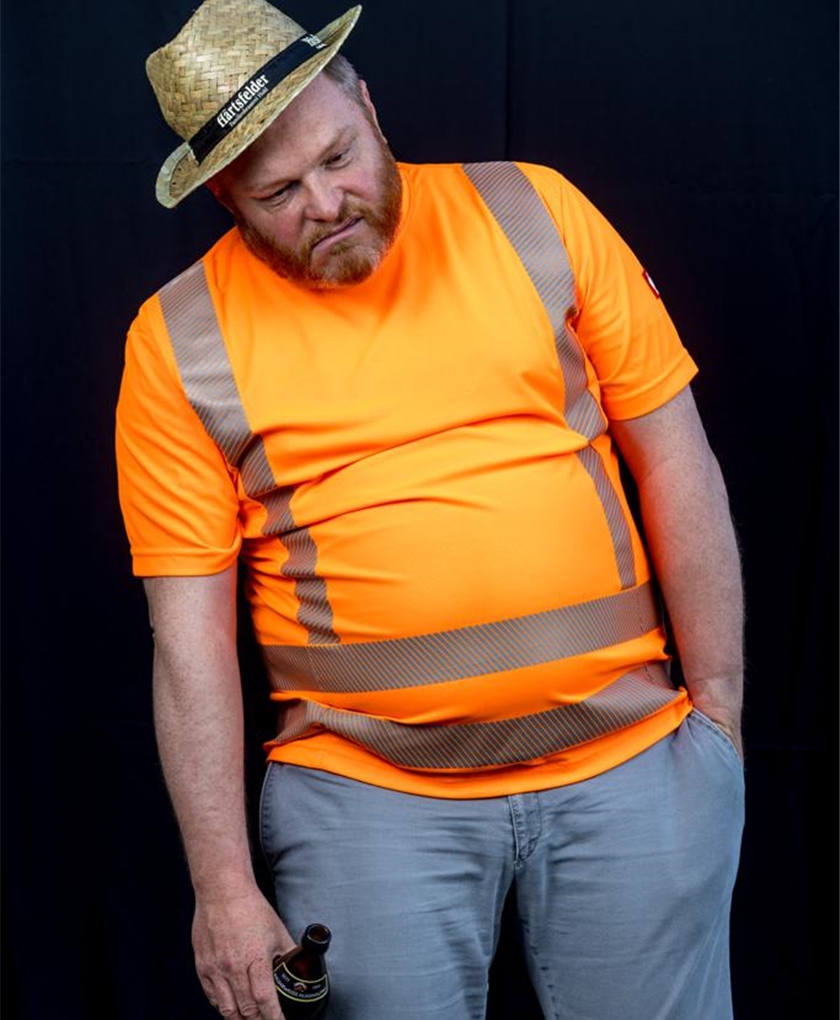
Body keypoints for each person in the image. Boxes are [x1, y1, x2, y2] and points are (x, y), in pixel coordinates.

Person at [115, 1, 745, 1018]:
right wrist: (223, 888)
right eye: (279, 191)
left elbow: (676, 457)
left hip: (635, 769)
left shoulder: (535, 210)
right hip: (366, 804)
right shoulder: (177, 342)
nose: (327, 202)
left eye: (339, 156)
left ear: (368, 105)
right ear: (225, 196)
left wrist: (717, 718)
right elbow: (187, 638)